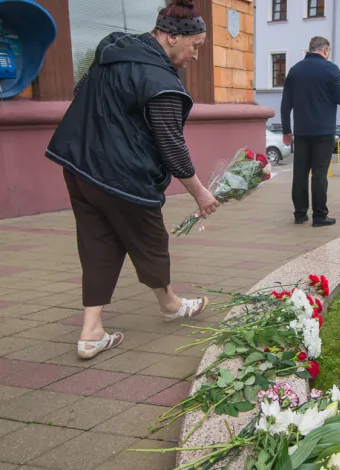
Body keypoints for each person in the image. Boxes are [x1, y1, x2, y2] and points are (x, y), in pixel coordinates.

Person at [45, 0, 219, 359]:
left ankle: (91, 332)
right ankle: (170, 305)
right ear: (171, 37)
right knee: (150, 241)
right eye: (195, 46)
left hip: (79, 167)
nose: (195, 55)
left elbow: (81, 95)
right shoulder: (159, 80)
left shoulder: (112, 51)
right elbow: (171, 146)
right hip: (122, 176)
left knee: (98, 243)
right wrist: (201, 194)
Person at [281, 36, 340, 227]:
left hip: (301, 132)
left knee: (300, 172)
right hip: (323, 132)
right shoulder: (331, 69)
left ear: (310, 49)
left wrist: (287, 130)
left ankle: (300, 214)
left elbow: (286, 104)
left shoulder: (295, 71)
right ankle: (319, 216)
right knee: (319, 173)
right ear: (325, 50)